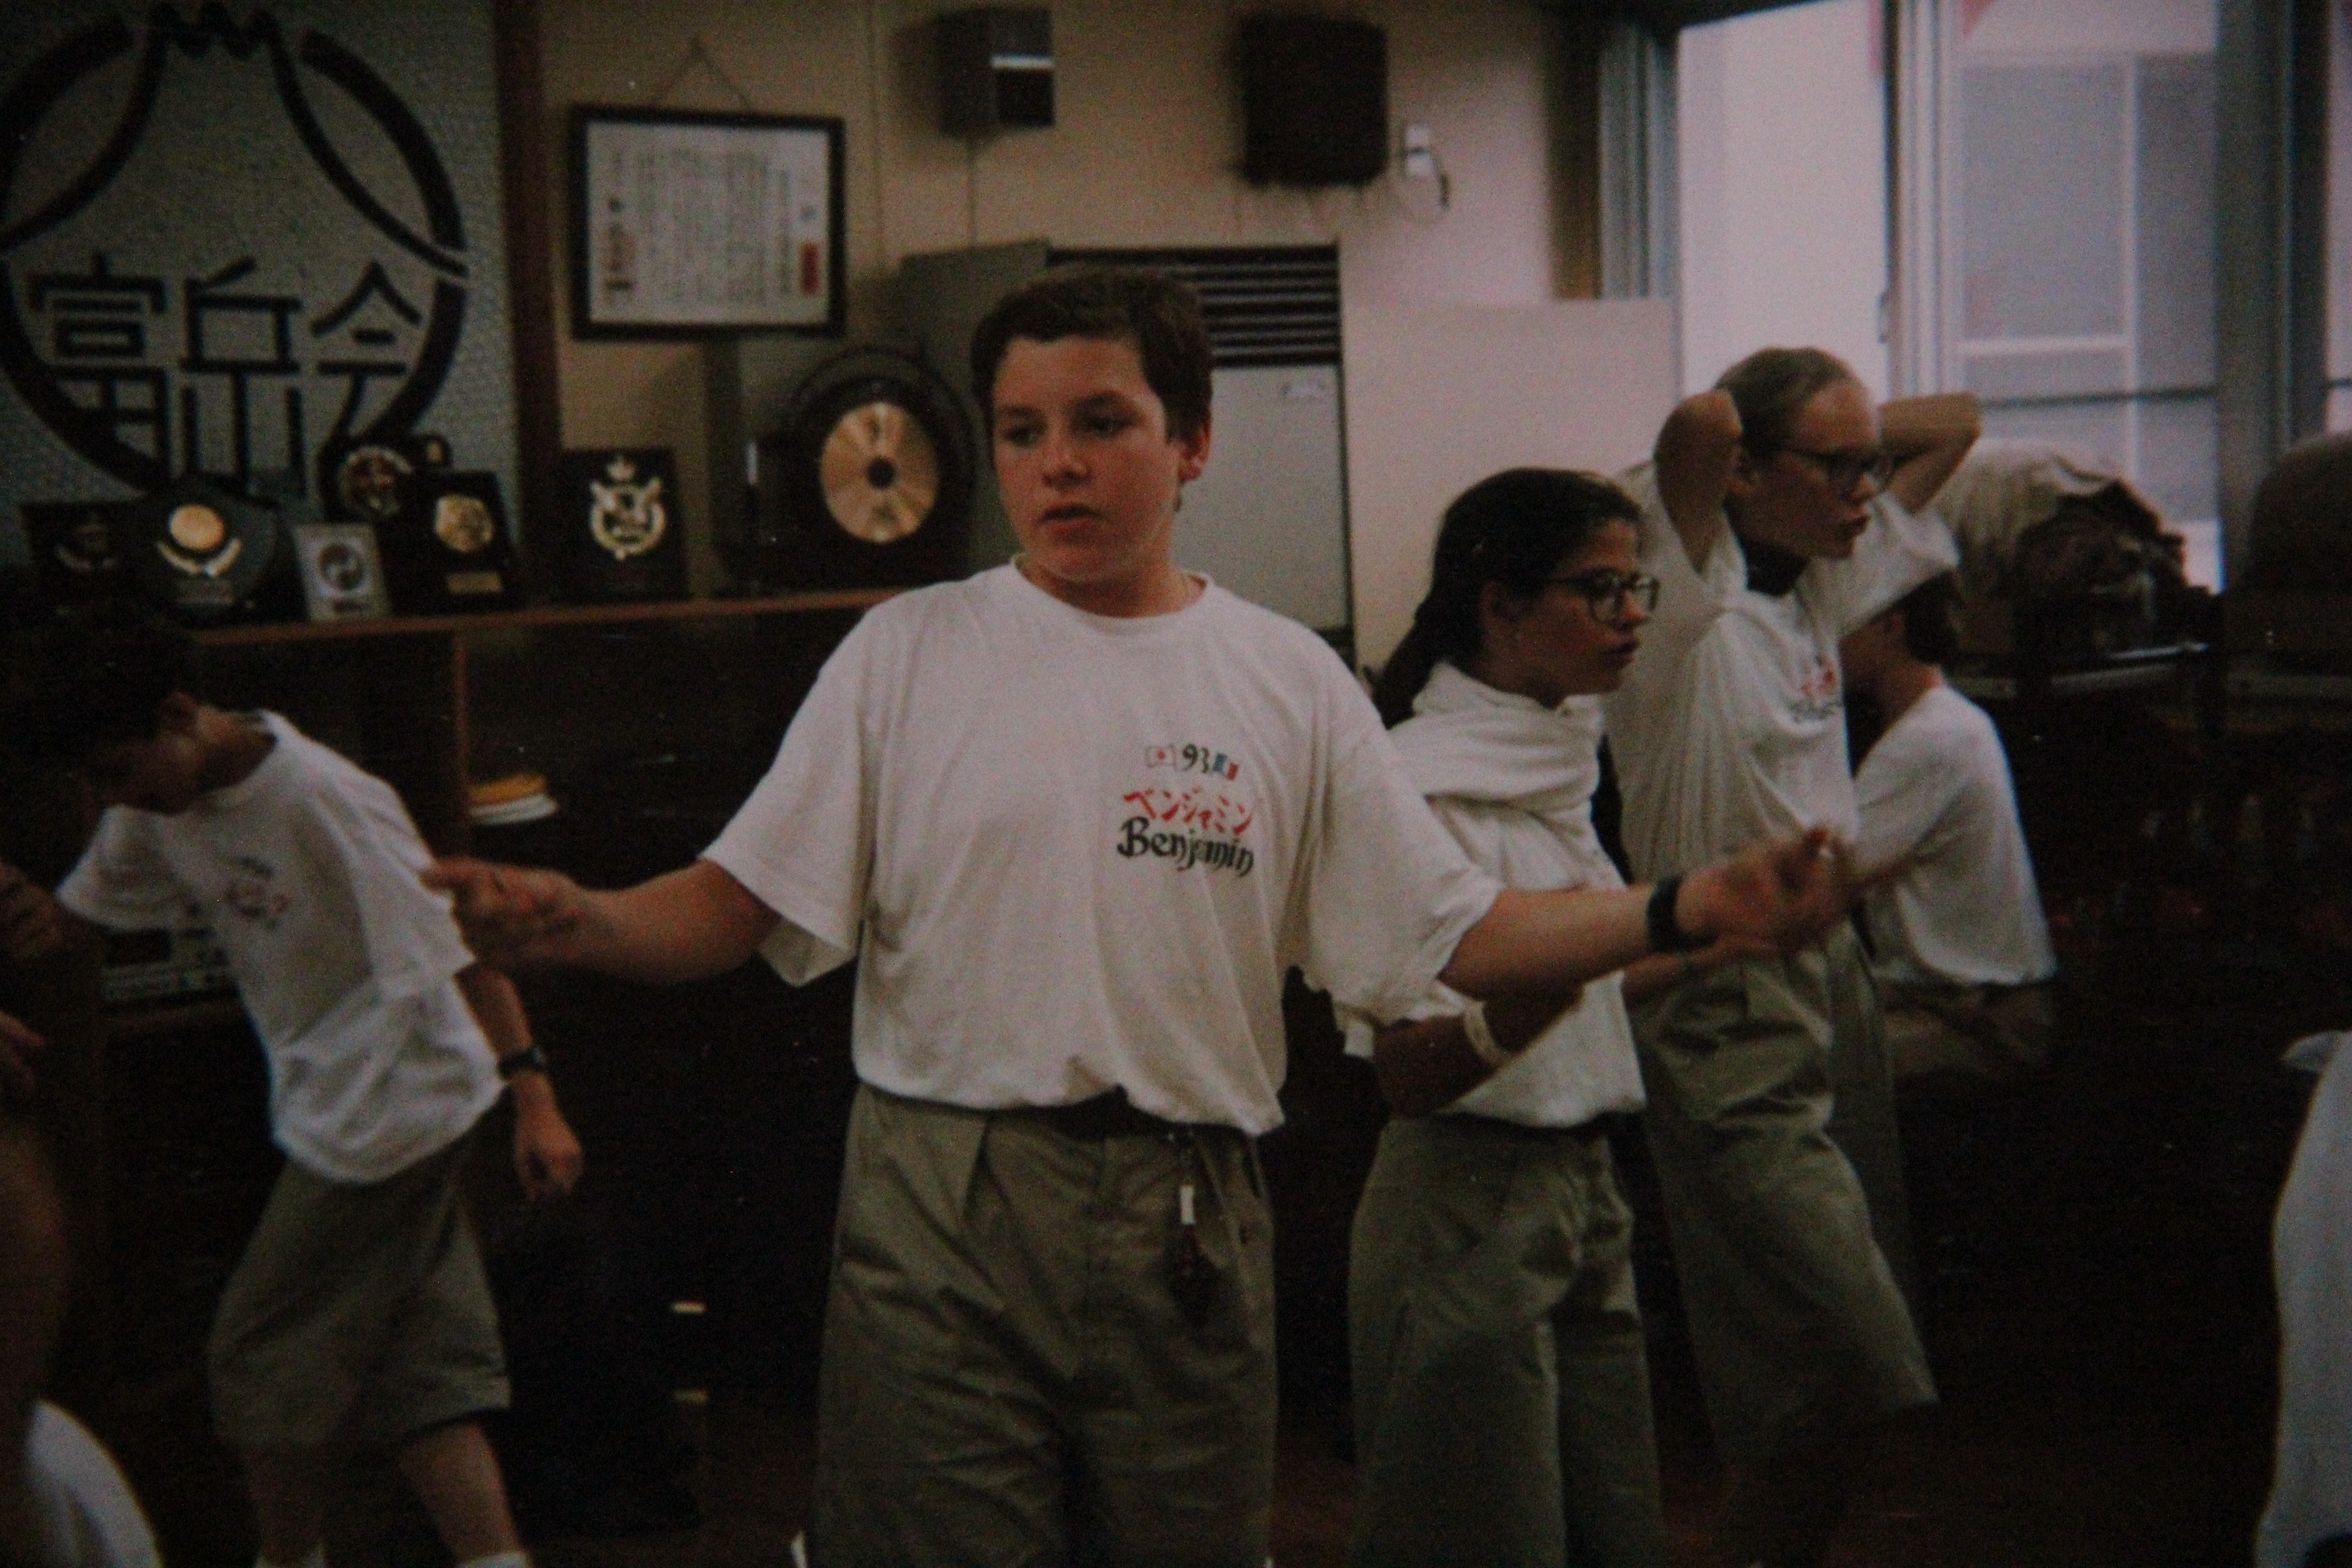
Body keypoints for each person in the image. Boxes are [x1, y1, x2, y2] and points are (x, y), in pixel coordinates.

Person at [425, 266, 1868, 1568]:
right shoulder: (908, 652)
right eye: (1021, 430)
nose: (1056, 464)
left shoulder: (1285, 681)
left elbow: (1459, 934)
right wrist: (584, 922)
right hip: (944, 1207)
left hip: (1190, 1212)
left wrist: (1680, 906)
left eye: (1101, 422)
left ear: (1192, 442)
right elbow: (736, 905)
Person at [15, 604, 585, 1568]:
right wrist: (34, 920)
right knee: (421, 1374)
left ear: (181, 712)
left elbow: (459, 946)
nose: (117, 800)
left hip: (396, 1105)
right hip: (341, 1100)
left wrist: (535, 1094)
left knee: (253, 1351)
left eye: (118, 771)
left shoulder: (326, 798)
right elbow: (84, 916)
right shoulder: (156, 803)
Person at [1342, 469, 1771, 1568]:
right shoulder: (1419, 785)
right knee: (1489, 1539)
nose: (1632, 615)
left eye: (1637, 587)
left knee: (1613, 1531)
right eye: (1599, 590)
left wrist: (1711, 939)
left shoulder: (1552, 754)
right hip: (1466, 1195)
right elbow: (1409, 1066)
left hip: (1582, 1187)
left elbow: (1570, 1000)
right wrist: (1523, 1008)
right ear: (1499, 603)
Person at [1604, 349, 1980, 1567]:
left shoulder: (1821, 579)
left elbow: (1959, 421)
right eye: (1837, 467)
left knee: (1832, 1388)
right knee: (1849, 1354)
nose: (1868, 489)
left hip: (1834, 979)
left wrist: (1838, 441)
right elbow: (1701, 424)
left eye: (1873, 467)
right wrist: (1758, 427)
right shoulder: (1677, 598)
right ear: (1749, 474)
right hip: (1720, 993)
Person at [1840, 573, 2058, 1082]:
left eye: (1843, 621)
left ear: (1891, 627)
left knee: (1798, 1074)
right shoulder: (1954, 720)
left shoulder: (1929, 740)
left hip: (1984, 1021)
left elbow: (1831, 877)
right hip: (1953, 996)